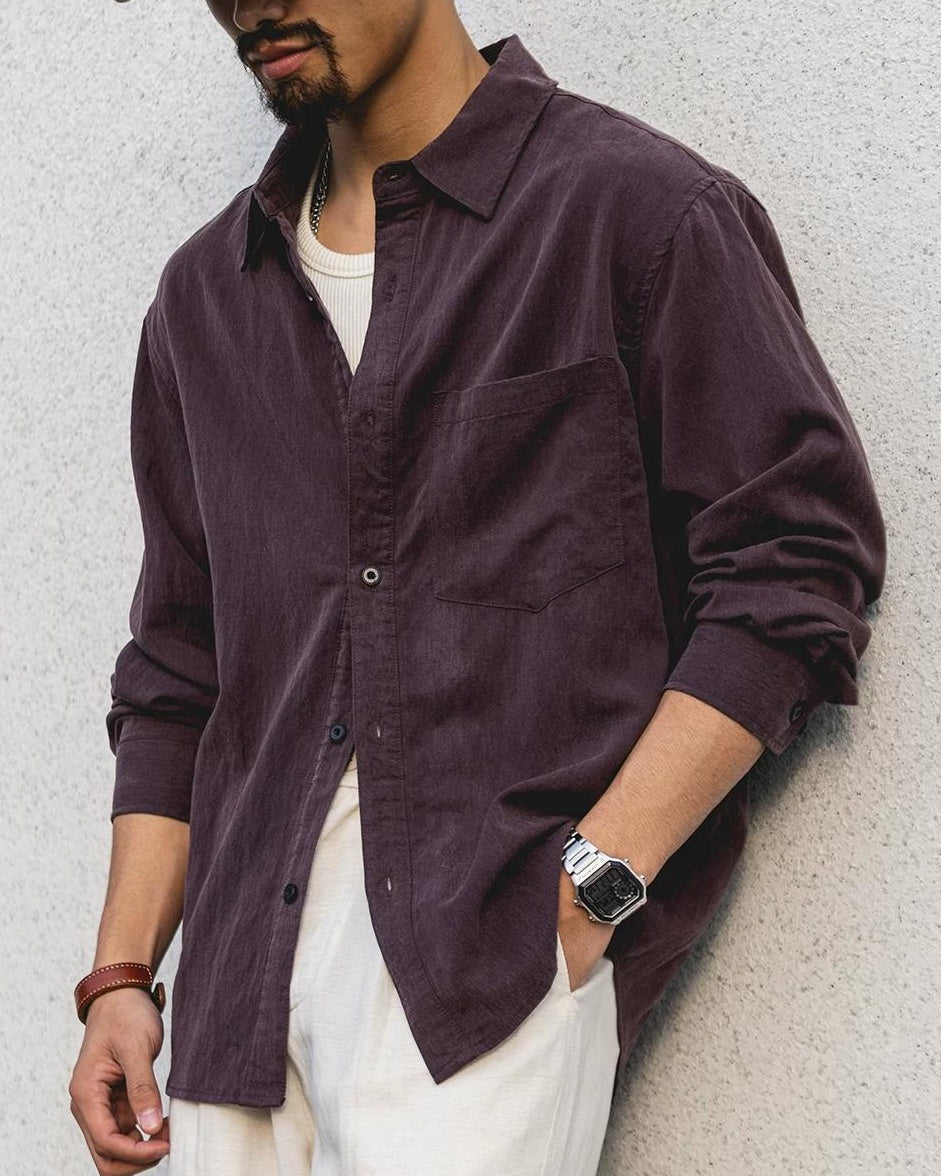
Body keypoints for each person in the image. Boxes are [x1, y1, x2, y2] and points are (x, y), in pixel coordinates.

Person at [69, 3, 888, 1174]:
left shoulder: (634, 213)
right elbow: (178, 667)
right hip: (231, 1005)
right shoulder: (207, 297)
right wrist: (122, 976)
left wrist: (591, 887)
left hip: (480, 980)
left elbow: (793, 558)